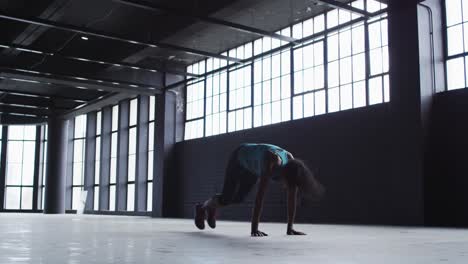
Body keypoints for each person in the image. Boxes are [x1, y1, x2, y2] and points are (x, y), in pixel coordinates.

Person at [194, 143, 325, 237]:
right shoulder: (272, 160)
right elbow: (260, 197)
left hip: (252, 168)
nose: (286, 186)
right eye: (287, 182)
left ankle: (212, 207)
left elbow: (291, 198)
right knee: (226, 198)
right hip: (239, 158)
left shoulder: (292, 164)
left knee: (239, 199)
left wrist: (290, 228)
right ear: (285, 174)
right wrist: (254, 229)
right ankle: (202, 207)